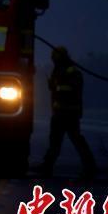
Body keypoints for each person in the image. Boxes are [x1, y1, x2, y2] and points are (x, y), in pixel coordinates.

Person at [35, 46, 97, 179]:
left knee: (69, 140)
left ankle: (90, 167)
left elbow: (69, 90)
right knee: (58, 141)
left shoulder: (71, 72)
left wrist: (56, 86)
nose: (53, 60)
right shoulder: (59, 71)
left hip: (67, 113)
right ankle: (47, 166)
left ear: (59, 57)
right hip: (62, 112)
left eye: (54, 57)